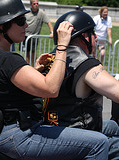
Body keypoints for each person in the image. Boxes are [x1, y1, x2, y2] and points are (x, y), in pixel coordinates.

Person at [0, 0, 109, 159]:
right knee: (99, 143)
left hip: (2, 135)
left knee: (111, 128)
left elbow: (6, 88)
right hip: (20, 136)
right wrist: (62, 47)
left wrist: (33, 70)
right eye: (20, 21)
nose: (26, 25)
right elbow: (51, 89)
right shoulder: (8, 60)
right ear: (1, 27)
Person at [41, 11, 119, 159]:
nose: (96, 37)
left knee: (114, 127)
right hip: (78, 139)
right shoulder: (86, 64)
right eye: (93, 33)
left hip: (54, 130)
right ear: (84, 37)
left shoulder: (50, 59)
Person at [24, 0, 53, 66]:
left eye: (37, 3)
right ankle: (27, 66)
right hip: (25, 35)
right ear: (31, 5)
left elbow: (48, 22)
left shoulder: (41, 13)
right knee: (26, 53)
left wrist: (52, 32)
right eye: (34, 4)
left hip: (34, 36)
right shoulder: (27, 12)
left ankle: (35, 66)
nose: (36, 5)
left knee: (33, 53)